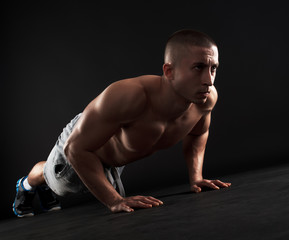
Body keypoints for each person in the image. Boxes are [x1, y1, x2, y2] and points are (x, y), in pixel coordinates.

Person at [13, 29, 231, 217]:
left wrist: (196, 177)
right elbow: (75, 148)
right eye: (198, 67)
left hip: (114, 157)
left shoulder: (205, 99)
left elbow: (198, 134)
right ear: (169, 71)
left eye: (213, 68)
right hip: (81, 144)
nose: (209, 80)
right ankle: (26, 185)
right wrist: (114, 201)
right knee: (59, 185)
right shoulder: (130, 96)